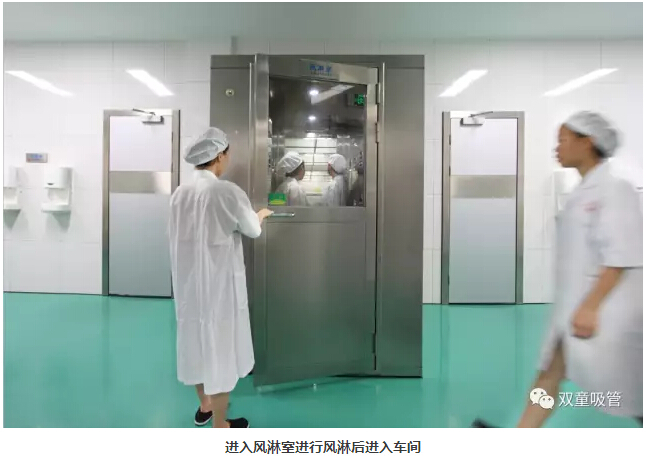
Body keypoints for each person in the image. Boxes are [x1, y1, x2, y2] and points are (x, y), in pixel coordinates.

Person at [473, 111, 643, 428]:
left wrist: (591, 307)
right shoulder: (581, 193)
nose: (557, 147)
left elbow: (621, 256)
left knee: (633, 392)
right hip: (576, 309)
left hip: (607, 312)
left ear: (587, 142)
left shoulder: (615, 190)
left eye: (563, 140)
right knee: (550, 373)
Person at [168, 127, 273, 428]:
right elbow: (251, 229)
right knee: (221, 349)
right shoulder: (225, 191)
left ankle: (205, 406)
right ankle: (220, 424)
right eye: (226, 153)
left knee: (195, 343)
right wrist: (261, 215)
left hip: (189, 284)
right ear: (218, 156)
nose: (227, 159)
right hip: (219, 286)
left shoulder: (180, 194)